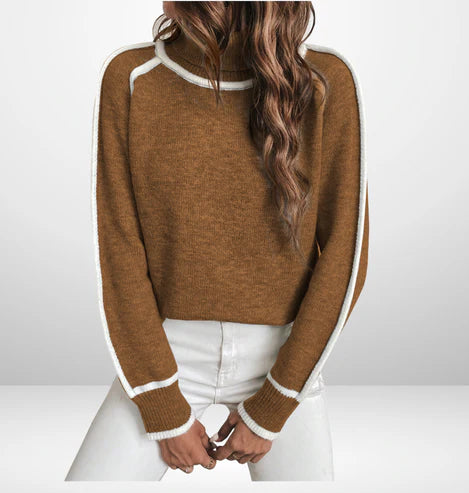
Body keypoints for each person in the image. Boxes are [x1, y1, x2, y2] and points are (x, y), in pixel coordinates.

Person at [65, 0, 369, 482]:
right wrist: (162, 404)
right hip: (167, 354)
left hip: (285, 358)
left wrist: (276, 402)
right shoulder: (132, 77)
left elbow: (345, 257)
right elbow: (119, 252)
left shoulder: (325, 82)